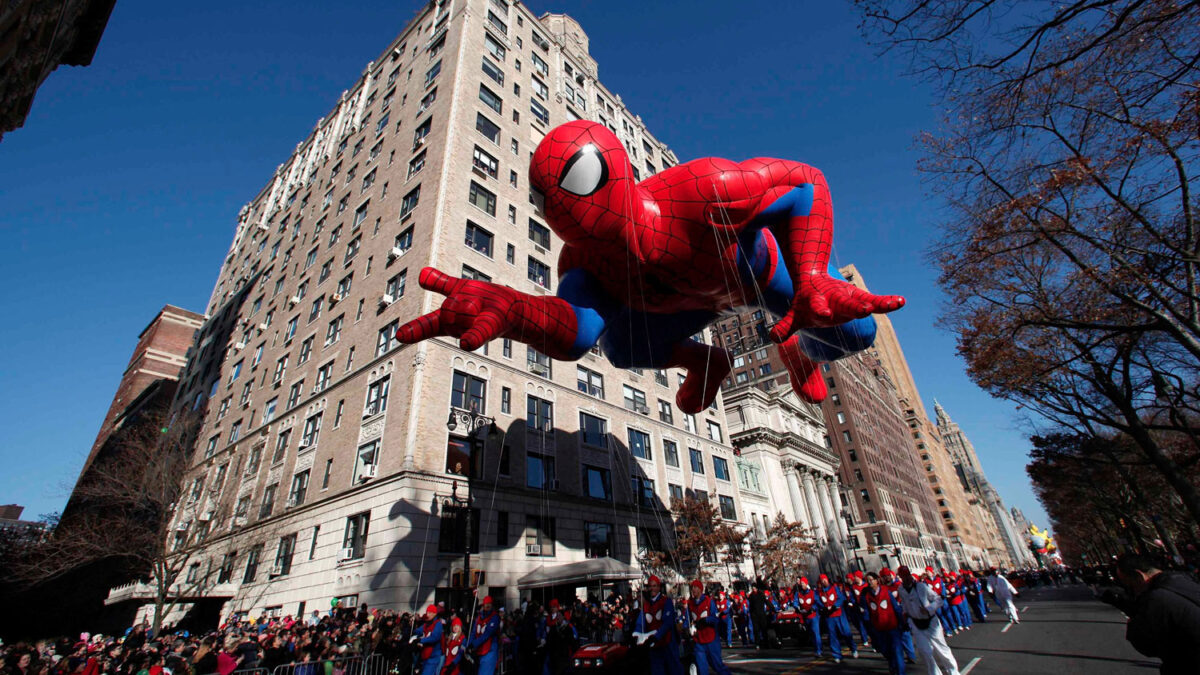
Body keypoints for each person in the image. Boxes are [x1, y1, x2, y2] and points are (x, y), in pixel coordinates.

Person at [1116, 553, 1200, 674]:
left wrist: (1133, 624)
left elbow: (1147, 646)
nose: (1130, 590)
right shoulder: (1187, 580)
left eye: (1129, 584)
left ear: (1139, 576)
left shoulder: (1155, 600)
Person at [895, 566, 959, 675]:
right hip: (916, 623)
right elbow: (905, 604)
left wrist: (929, 609)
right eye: (903, 576)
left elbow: (938, 600)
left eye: (907, 575)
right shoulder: (901, 590)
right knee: (924, 652)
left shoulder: (921, 587)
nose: (906, 578)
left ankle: (953, 672)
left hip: (931, 622)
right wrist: (905, 614)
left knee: (942, 649)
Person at [635, 576, 684, 675]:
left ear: (659, 587)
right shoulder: (646, 605)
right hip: (654, 646)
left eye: (654, 586)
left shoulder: (666, 601)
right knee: (657, 671)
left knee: (674, 670)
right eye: (650, 586)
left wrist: (656, 636)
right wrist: (637, 634)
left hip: (667, 642)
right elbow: (641, 621)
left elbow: (667, 623)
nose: (652, 588)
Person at [863, 572, 906, 675]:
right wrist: (869, 630)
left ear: (876, 580)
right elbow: (866, 613)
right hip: (879, 628)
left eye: (871, 580)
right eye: (867, 580)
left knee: (897, 651)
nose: (869, 582)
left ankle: (900, 672)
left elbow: (896, 607)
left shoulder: (886, 591)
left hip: (892, 626)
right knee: (885, 650)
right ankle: (892, 663)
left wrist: (902, 622)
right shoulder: (866, 595)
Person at [685, 580, 732, 675]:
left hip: (711, 639)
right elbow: (688, 620)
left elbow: (715, 619)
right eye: (692, 588)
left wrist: (705, 620)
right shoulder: (690, 604)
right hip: (699, 641)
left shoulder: (709, 601)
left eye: (696, 587)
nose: (693, 589)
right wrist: (687, 629)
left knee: (717, 666)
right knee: (702, 669)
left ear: (700, 589)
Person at [816, 574, 857, 663]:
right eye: (822, 581)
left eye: (825, 580)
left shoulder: (834, 588)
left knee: (846, 632)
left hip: (839, 614)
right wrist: (823, 608)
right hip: (829, 616)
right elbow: (818, 601)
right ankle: (837, 654)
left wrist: (835, 606)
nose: (824, 582)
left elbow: (841, 598)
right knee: (832, 635)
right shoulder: (820, 592)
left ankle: (853, 648)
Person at [469, 596, 501, 675]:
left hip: (489, 651)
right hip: (479, 651)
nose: (487, 606)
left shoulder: (495, 617)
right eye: (486, 604)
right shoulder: (479, 618)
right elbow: (473, 632)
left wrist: (474, 644)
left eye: (489, 604)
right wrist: (469, 644)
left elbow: (488, 633)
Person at [793, 577, 821, 657]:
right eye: (801, 584)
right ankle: (815, 649)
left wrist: (813, 608)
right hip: (805, 616)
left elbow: (817, 602)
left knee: (816, 633)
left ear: (806, 583)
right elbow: (795, 601)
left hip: (813, 616)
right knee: (811, 633)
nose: (802, 585)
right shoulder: (798, 593)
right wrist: (797, 607)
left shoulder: (812, 592)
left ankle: (818, 650)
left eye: (803, 584)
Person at [411, 604, 444, 675]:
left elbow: (435, 637)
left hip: (433, 656)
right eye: (427, 612)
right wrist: (413, 630)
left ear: (434, 614)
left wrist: (421, 640)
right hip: (425, 655)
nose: (427, 614)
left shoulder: (438, 624)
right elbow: (419, 630)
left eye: (429, 613)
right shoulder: (427, 624)